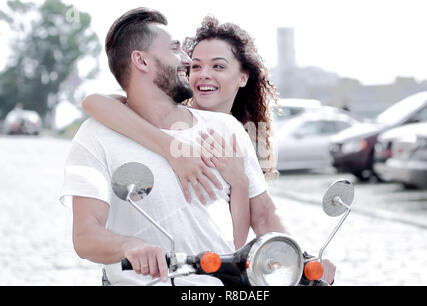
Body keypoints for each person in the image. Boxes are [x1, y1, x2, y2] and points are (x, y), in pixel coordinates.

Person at [60, 8, 287, 286]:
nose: (187, 59)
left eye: (218, 66)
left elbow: (246, 232)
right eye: (175, 49)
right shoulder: (97, 135)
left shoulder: (226, 129)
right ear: (141, 60)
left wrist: (301, 260)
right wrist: (127, 246)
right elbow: (85, 237)